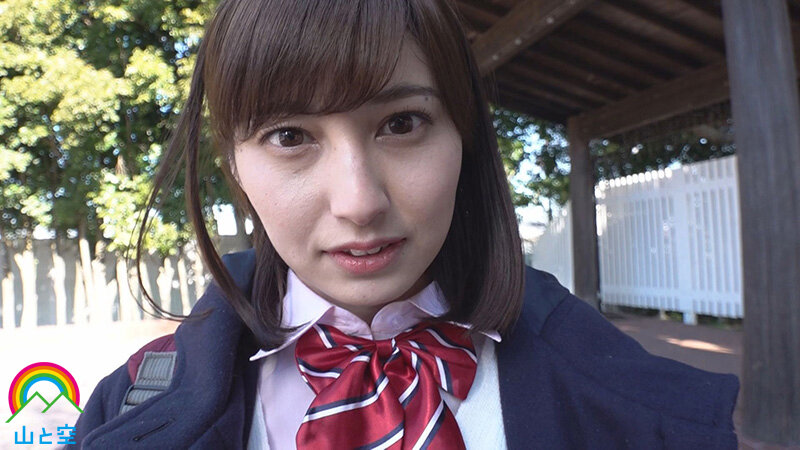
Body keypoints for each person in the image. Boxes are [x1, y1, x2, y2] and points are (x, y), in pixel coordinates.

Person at [70, 1, 739, 448]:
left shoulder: (640, 412)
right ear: (235, 167)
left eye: (401, 123)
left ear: (463, 137)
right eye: (290, 136)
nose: (359, 202)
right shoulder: (124, 408)